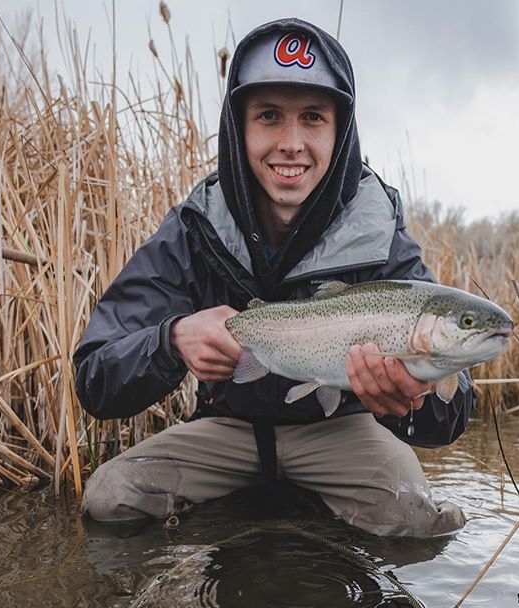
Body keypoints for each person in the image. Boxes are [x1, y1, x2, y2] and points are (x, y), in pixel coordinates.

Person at [74, 17, 476, 537]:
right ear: (239, 128)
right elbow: (95, 379)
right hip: (225, 428)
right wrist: (172, 341)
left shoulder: (378, 229)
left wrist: (411, 398)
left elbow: (452, 411)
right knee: (109, 499)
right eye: (268, 116)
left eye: (312, 118)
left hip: (342, 430)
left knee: (419, 523)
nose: (291, 143)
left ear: (340, 132)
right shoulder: (195, 227)